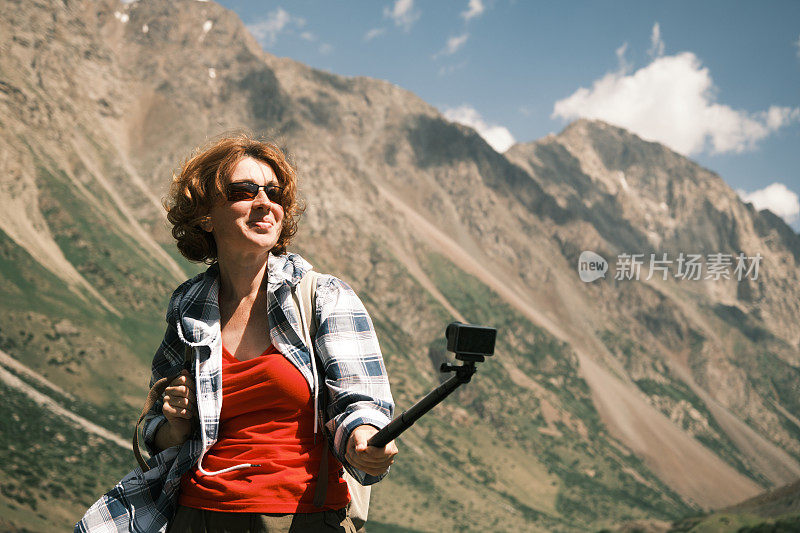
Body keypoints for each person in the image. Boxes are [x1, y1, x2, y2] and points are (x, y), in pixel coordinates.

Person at [141, 133, 397, 532]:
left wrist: (366, 436)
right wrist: (175, 424)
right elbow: (154, 427)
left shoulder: (323, 296)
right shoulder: (186, 305)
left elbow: (361, 402)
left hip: (300, 519)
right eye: (244, 191)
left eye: (274, 193)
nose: (264, 202)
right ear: (205, 214)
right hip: (196, 515)